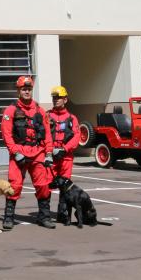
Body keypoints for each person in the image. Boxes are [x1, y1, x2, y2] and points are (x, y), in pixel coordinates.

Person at [1, 76, 55, 230]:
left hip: (37, 152)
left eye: (29, 89)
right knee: (14, 185)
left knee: (43, 185)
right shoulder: (11, 110)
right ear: (18, 90)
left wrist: (49, 153)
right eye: (24, 89)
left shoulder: (40, 110)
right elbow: (6, 134)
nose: (26, 91)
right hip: (19, 152)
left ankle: (44, 216)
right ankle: (9, 217)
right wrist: (14, 151)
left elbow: (47, 135)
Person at [48, 85, 80, 223]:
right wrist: (48, 151)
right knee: (46, 185)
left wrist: (64, 149)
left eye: (58, 98)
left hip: (66, 157)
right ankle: (44, 213)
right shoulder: (47, 115)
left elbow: (76, 137)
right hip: (50, 156)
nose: (56, 100)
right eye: (54, 98)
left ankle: (63, 214)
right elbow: (41, 134)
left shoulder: (72, 118)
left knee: (65, 188)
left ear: (65, 99)